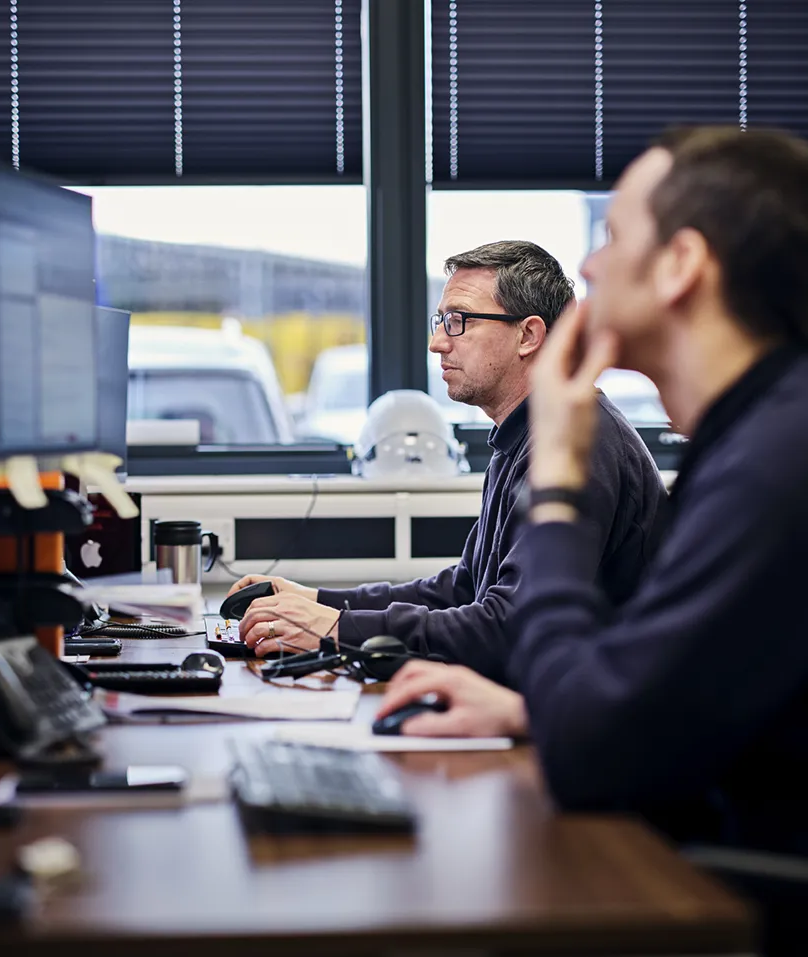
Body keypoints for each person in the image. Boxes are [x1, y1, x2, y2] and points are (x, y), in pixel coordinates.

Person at [376, 126, 808, 861]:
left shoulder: (773, 464)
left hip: (725, 893)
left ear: (681, 265)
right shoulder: (754, 436)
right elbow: (667, 703)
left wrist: (561, 494)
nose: (589, 263)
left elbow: (590, 754)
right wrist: (530, 710)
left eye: (613, 236)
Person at [230, 241, 667, 682]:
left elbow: (508, 627)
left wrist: (337, 629)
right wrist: (322, 602)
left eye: (458, 322)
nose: (437, 342)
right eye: (441, 321)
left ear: (528, 336)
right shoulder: (524, 435)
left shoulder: (579, 444)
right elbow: (463, 589)